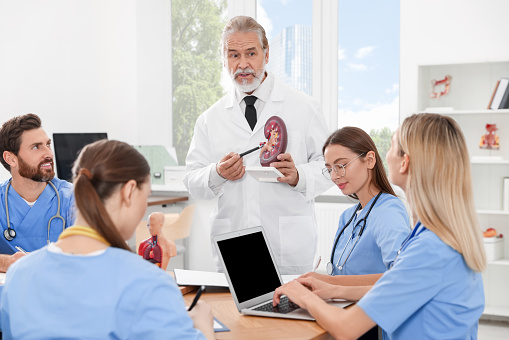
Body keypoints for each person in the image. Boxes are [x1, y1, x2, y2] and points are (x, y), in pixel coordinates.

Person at [273, 113, 486, 339]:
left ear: (405, 162)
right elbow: (399, 286)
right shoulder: (435, 237)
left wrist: (302, 296)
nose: (386, 154)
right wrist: (333, 288)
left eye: (392, 146)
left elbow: (346, 328)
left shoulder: (429, 249)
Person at [0, 140, 214, 339]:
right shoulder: (148, 283)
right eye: (146, 196)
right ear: (129, 191)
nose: (144, 210)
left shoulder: (19, 275)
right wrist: (203, 324)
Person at [184, 16, 332, 275]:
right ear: (224, 59)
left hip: (287, 242)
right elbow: (192, 180)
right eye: (233, 55)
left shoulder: (304, 107)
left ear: (266, 54)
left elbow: (329, 167)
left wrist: (299, 175)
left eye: (250, 53)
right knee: (235, 316)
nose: (242, 64)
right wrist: (217, 173)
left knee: (289, 311)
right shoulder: (210, 118)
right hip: (235, 242)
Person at [0, 113, 75, 272]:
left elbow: (98, 253)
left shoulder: (73, 198)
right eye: (36, 147)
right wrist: (6, 262)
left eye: (48, 144)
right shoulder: (1, 202)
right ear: (11, 159)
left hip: (59, 293)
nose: (48, 153)